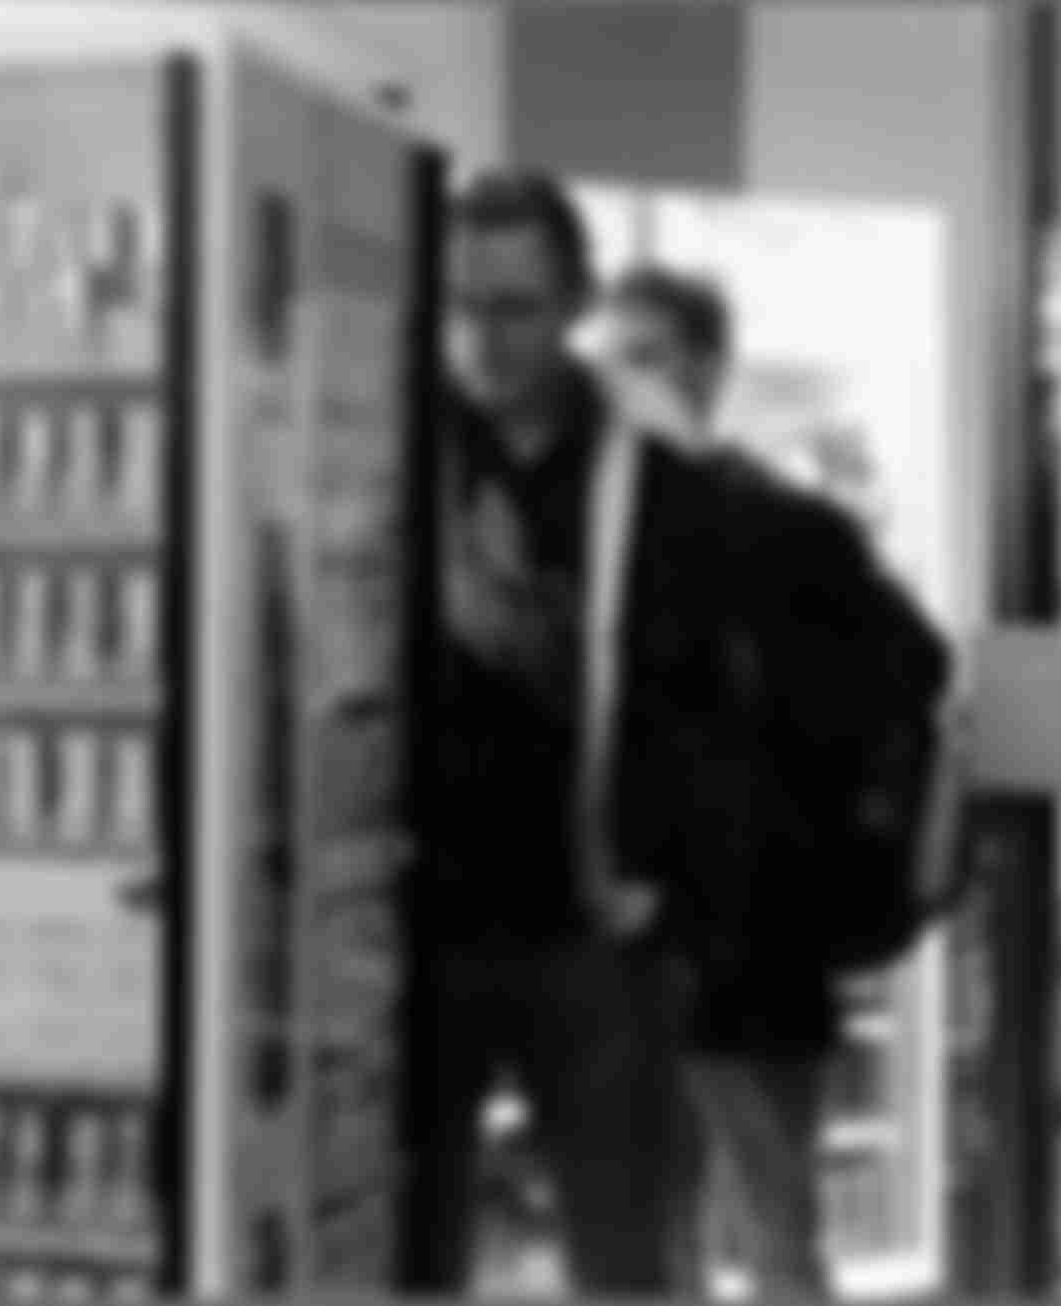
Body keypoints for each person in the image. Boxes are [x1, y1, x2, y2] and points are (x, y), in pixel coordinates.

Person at [406, 172, 765, 1295]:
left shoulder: (658, 471)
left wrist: (673, 881)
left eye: (513, 307)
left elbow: (720, 692)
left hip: (597, 931)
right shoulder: (389, 442)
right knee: (402, 1245)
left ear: (575, 303)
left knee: (628, 1254)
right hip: (416, 928)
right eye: (459, 305)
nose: (481, 338)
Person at [594, 264, 954, 1297]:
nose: (622, 382)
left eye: (645, 357)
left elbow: (910, 665)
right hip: (627, 944)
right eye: (609, 360)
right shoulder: (604, 525)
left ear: (706, 369)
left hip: (751, 942)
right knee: (642, 1230)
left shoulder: (784, 526)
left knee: (773, 1221)